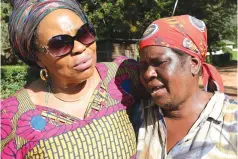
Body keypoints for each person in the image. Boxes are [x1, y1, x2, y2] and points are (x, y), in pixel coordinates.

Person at [1, 0, 141, 158]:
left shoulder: (122, 75)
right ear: (37, 57)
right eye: (60, 44)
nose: (80, 48)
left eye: (84, 33)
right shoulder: (12, 116)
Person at [136, 15, 238, 159]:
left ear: (194, 64)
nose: (148, 74)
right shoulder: (138, 116)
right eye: (142, 66)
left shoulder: (231, 120)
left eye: (159, 62)